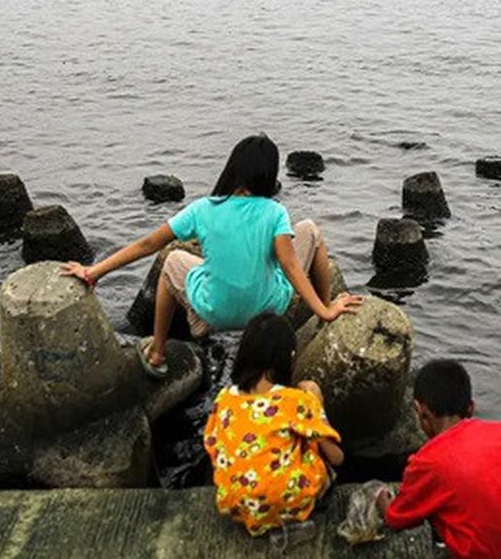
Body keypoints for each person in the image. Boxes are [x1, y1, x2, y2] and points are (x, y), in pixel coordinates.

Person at [61, 134, 362, 377]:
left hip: (212, 314)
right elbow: (290, 265)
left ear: (233, 169)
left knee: (172, 260)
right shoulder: (275, 212)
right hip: (268, 310)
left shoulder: (203, 208)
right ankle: (324, 311)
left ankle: (157, 353)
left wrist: (94, 271)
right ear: (268, 176)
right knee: (310, 230)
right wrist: (324, 310)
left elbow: (147, 244)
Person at [377, 360, 501, 559]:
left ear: (422, 413)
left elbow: (398, 519)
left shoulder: (426, 461)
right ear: (471, 407)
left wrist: (384, 502)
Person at [203, 313, 344, 536]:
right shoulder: (296, 401)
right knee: (318, 455)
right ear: (291, 357)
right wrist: (318, 404)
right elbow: (337, 457)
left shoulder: (223, 399)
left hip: (234, 505)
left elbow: (211, 443)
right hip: (287, 505)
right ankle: (292, 506)